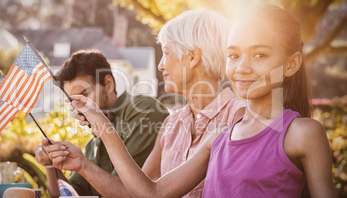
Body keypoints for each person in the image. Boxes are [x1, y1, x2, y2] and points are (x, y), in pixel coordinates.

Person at [45, 4, 338, 198]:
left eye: (259, 55)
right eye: (233, 55)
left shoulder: (296, 132)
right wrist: (95, 139)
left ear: (291, 64)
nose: (242, 67)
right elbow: (148, 192)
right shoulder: (216, 136)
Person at [42, 8, 245, 198]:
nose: (160, 65)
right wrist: (79, 164)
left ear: (192, 57)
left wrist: (103, 127)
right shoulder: (170, 125)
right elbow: (137, 192)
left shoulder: (239, 118)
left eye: (166, 52)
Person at [34, 49, 169, 197]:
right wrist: (52, 165)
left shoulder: (142, 110)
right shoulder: (93, 145)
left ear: (109, 84)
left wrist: (83, 165)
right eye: (73, 101)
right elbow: (72, 194)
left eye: (84, 95)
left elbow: (133, 192)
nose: (77, 107)